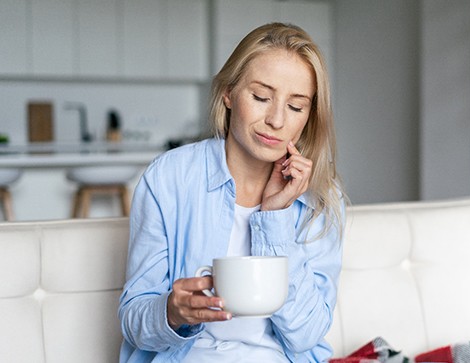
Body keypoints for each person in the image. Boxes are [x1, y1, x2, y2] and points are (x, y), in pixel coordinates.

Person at [118, 22, 347, 362]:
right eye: (260, 97)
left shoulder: (321, 198)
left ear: (309, 117)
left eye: (296, 107)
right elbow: (133, 320)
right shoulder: (170, 177)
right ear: (228, 92)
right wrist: (172, 311)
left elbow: (307, 333)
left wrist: (275, 218)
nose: (277, 120)